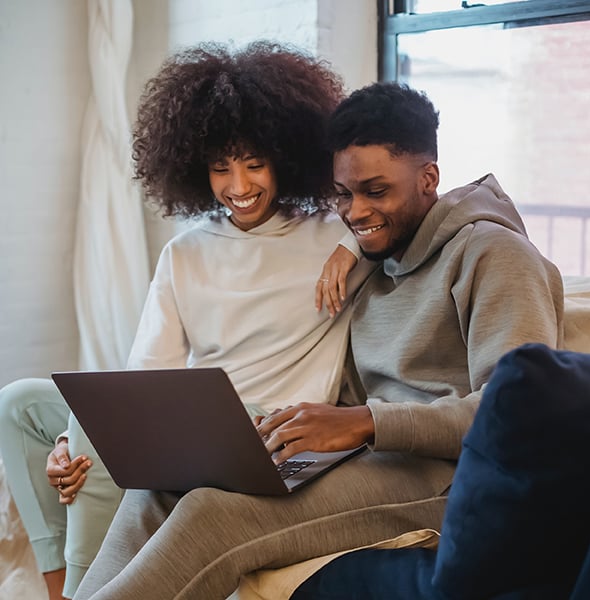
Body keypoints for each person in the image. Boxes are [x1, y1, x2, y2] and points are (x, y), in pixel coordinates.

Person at [72, 80, 564, 600]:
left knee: (211, 513)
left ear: (429, 178)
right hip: (364, 458)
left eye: (376, 191)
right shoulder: (379, 257)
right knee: (159, 487)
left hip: (445, 476)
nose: (354, 214)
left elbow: (518, 415)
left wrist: (363, 423)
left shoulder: (496, 256)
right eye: (343, 194)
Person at [0, 40, 366, 600]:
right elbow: (145, 379)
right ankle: (59, 588)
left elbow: (433, 204)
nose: (239, 187)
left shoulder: (336, 233)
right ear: (195, 170)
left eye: (254, 164)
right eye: (221, 169)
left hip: (266, 429)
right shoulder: (185, 253)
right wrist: (69, 437)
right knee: (18, 404)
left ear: (286, 156)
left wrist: (353, 249)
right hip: (193, 415)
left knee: (94, 444)